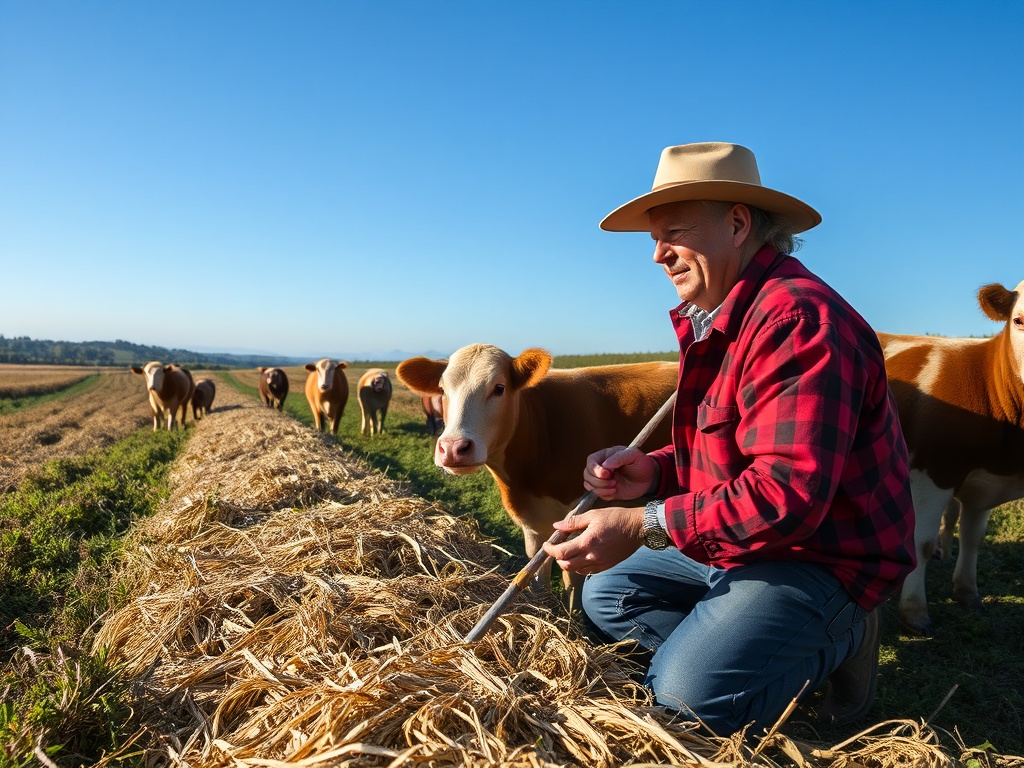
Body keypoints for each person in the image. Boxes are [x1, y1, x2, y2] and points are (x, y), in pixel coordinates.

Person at [543, 142, 916, 736]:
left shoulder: (797, 322)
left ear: (738, 224)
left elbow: (787, 492)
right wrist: (657, 471)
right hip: (746, 546)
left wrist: (644, 522)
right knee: (608, 595)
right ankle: (737, 651)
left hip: (821, 559)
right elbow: (736, 451)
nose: (660, 254)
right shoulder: (724, 317)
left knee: (685, 704)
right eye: (655, 239)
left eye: (675, 233)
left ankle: (844, 632)